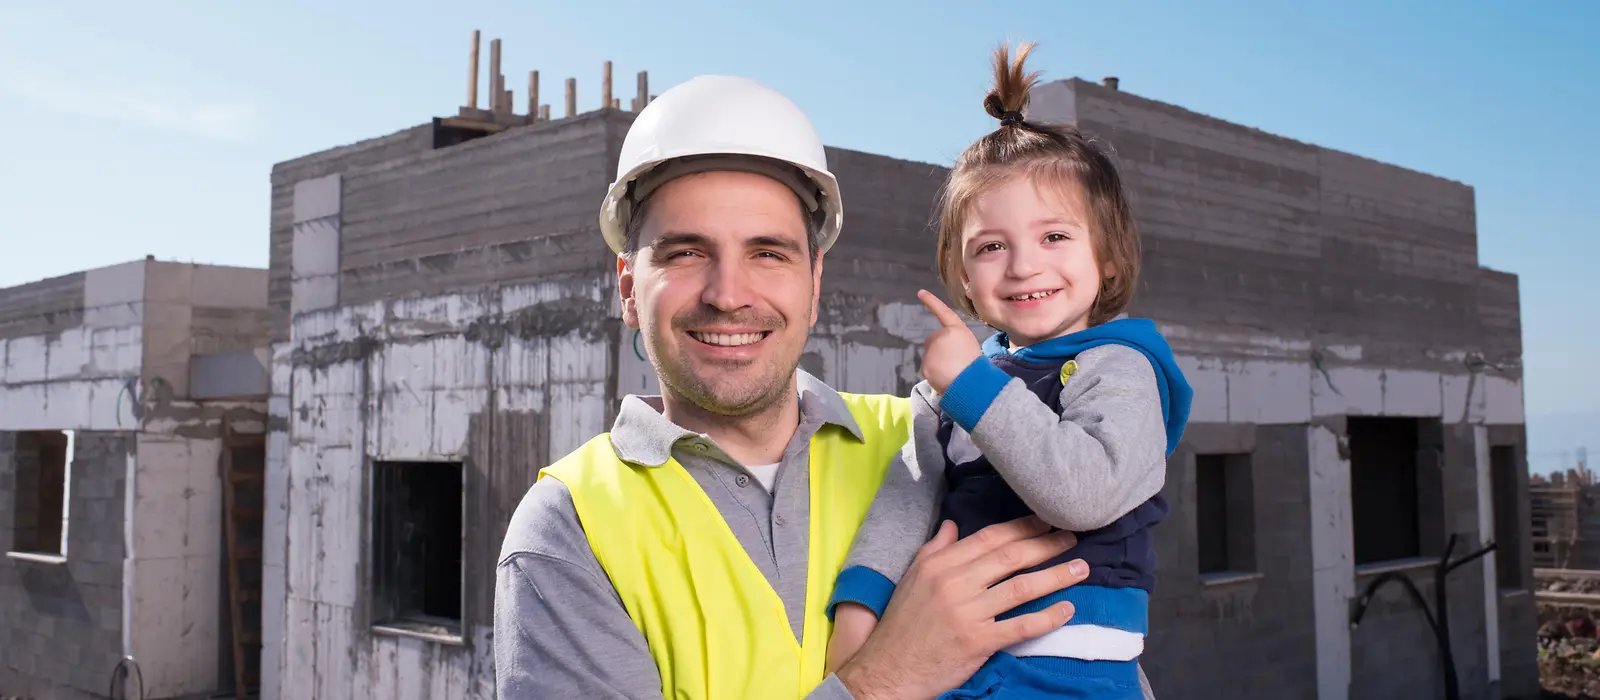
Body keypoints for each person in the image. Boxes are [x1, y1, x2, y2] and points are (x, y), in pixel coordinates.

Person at [493, 73, 1111, 700]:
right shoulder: (571, 528)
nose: (729, 295)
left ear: (814, 284)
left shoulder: (937, 441)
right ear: (628, 286)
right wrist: (885, 680)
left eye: (769, 253)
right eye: (685, 253)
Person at [823, 42, 1193, 700]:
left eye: (1054, 237)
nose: (1023, 266)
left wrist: (968, 385)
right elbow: (905, 505)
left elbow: (1082, 496)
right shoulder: (956, 385)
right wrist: (858, 615)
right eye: (992, 247)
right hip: (952, 658)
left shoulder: (1121, 368)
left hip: (1072, 667)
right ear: (963, 274)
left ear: (1107, 257)